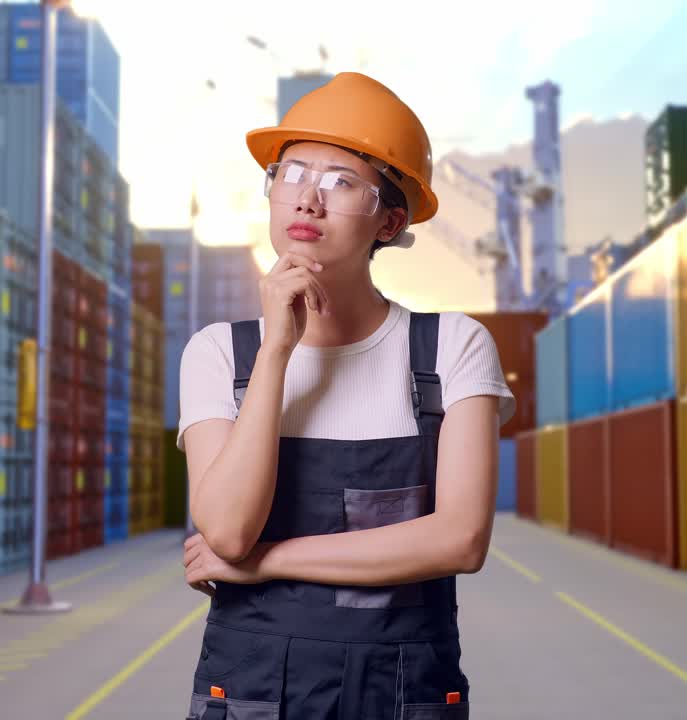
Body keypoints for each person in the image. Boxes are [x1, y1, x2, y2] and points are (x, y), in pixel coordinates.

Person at [177, 72, 515, 719]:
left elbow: (461, 540)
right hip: (251, 695)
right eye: (292, 173)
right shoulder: (221, 353)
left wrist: (269, 562)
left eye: (340, 182)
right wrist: (276, 350)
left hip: (402, 693)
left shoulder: (452, 350)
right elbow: (225, 528)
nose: (308, 199)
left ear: (389, 220)